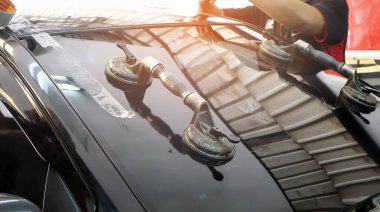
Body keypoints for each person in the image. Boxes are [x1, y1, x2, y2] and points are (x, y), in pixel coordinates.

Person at [198, 0, 349, 73]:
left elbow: (308, 21)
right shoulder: (264, 12)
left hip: (342, 108)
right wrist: (216, 39)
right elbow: (218, 15)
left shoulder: (333, 4)